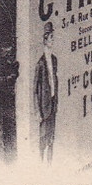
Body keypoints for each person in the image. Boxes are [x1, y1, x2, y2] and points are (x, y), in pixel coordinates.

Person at [34, 21, 58, 162]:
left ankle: (50, 166)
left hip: (53, 104)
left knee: (52, 138)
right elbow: (35, 90)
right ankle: (40, 165)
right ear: (45, 39)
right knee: (43, 139)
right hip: (44, 108)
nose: (53, 40)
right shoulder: (40, 64)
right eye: (51, 38)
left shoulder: (54, 60)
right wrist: (37, 111)